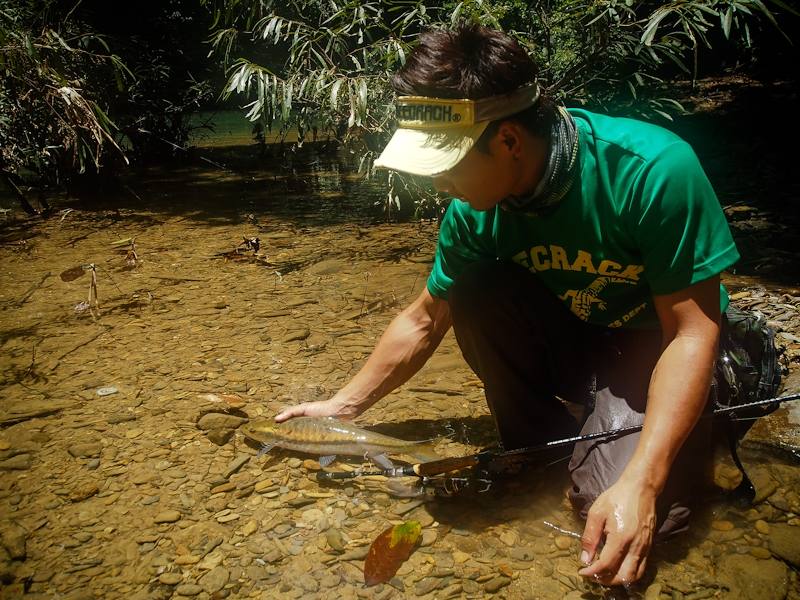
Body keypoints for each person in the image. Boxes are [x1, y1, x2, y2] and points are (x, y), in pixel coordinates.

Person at [275, 24, 740, 586]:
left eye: (446, 165)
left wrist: (641, 482)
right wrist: (342, 408)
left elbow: (691, 334)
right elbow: (424, 319)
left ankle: (675, 427)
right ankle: (541, 446)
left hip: (655, 346)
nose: (439, 185)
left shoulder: (651, 171)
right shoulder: (475, 209)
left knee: (631, 521)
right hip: (579, 338)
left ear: (510, 141)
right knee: (472, 287)